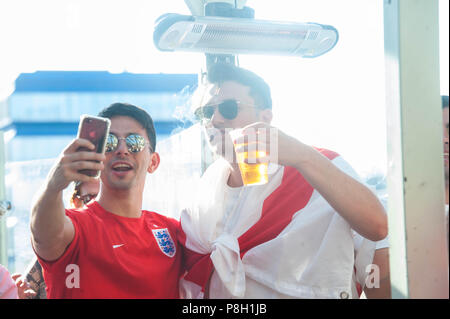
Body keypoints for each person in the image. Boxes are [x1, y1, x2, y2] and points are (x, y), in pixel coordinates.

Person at [178, 63, 388, 299]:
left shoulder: (315, 165)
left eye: (228, 108)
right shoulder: (199, 200)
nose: (214, 120)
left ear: (265, 117)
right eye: (205, 113)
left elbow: (378, 229)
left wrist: (304, 158)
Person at [30, 102, 183, 298]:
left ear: (153, 162)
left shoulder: (173, 232)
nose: (122, 150)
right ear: (98, 155)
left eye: (134, 142)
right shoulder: (75, 227)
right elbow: (43, 234)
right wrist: (53, 185)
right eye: (110, 142)